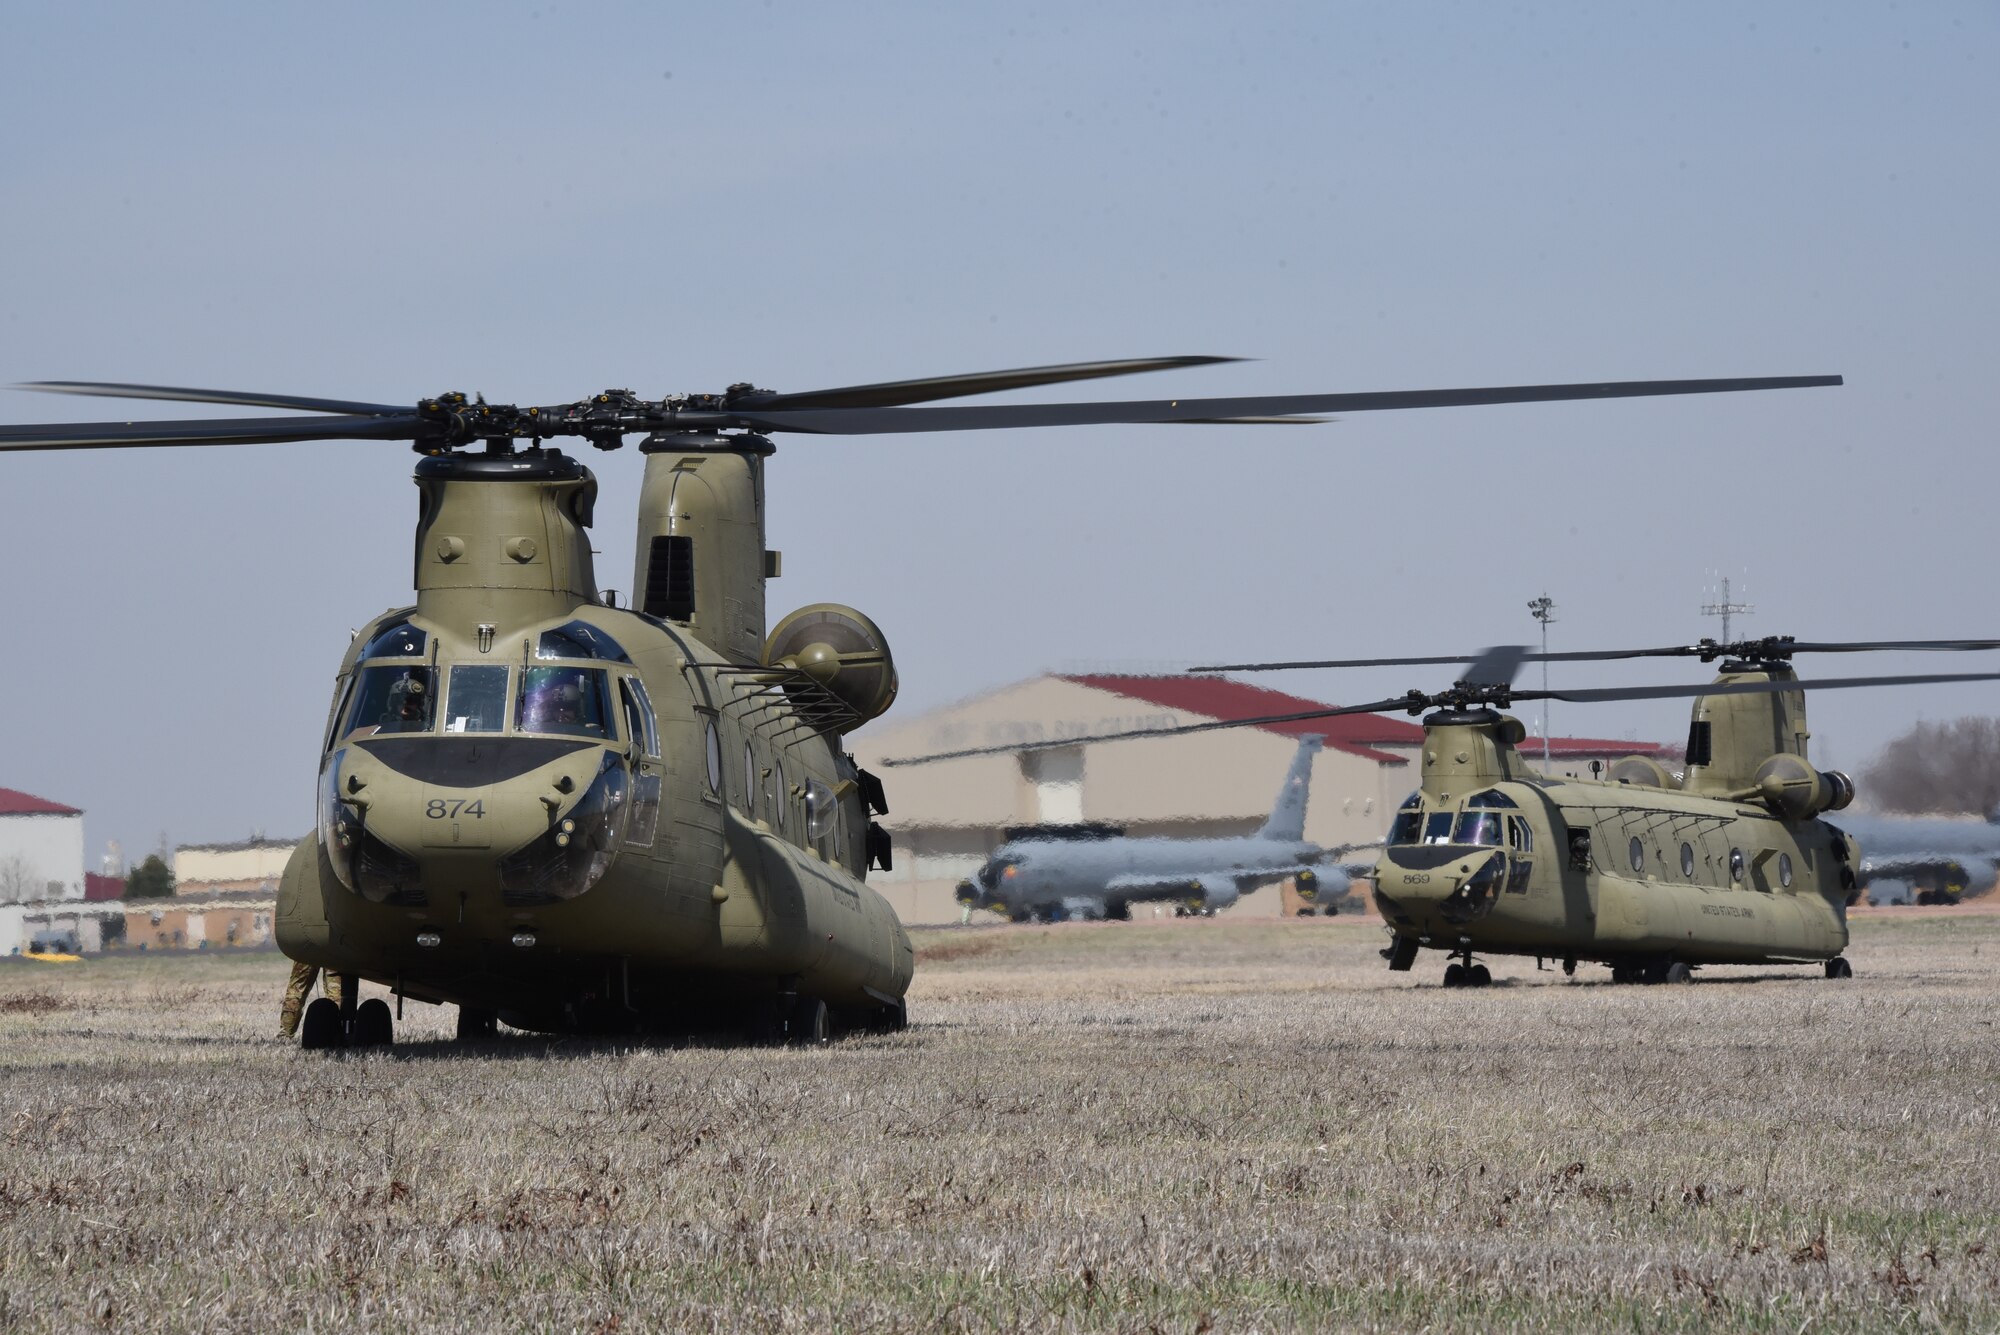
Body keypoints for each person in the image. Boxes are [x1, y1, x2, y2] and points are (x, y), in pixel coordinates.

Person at [278, 958, 344, 1040]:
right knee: (335, 994)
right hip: (333, 949)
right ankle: (335, 1034)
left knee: (296, 990)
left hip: (307, 948)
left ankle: (285, 1035)